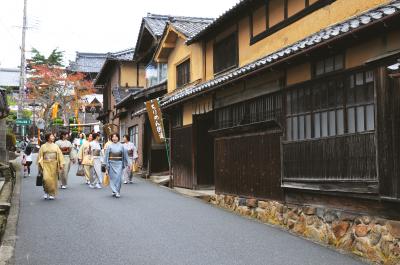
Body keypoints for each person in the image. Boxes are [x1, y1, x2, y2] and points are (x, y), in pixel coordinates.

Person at [37, 133, 64, 200]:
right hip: (45, 164)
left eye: (53, 136)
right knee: (45, 179)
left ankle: (52, 193)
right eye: (51, 136)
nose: (53, 137)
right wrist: (40, 165)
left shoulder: (56, 146)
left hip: (54, 164)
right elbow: (40, 156)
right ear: (48, 138)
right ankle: (46, 191)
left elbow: (60, 155)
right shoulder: (43, 146)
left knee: (53, 180)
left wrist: (61, 164)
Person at [104, 133, 128, 198]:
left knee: (118, 178)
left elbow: (125, 155)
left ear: (118, 138)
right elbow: (106, 156)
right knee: (112, 178)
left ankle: (117, 191)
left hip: (119, 164)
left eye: (116, 137)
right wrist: (106, 165)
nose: (114, 138)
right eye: (113, 137)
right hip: (111, 163)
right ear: (111, 138)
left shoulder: (122, 146)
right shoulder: (109, 146)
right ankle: (114, 190)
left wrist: (128, 163)